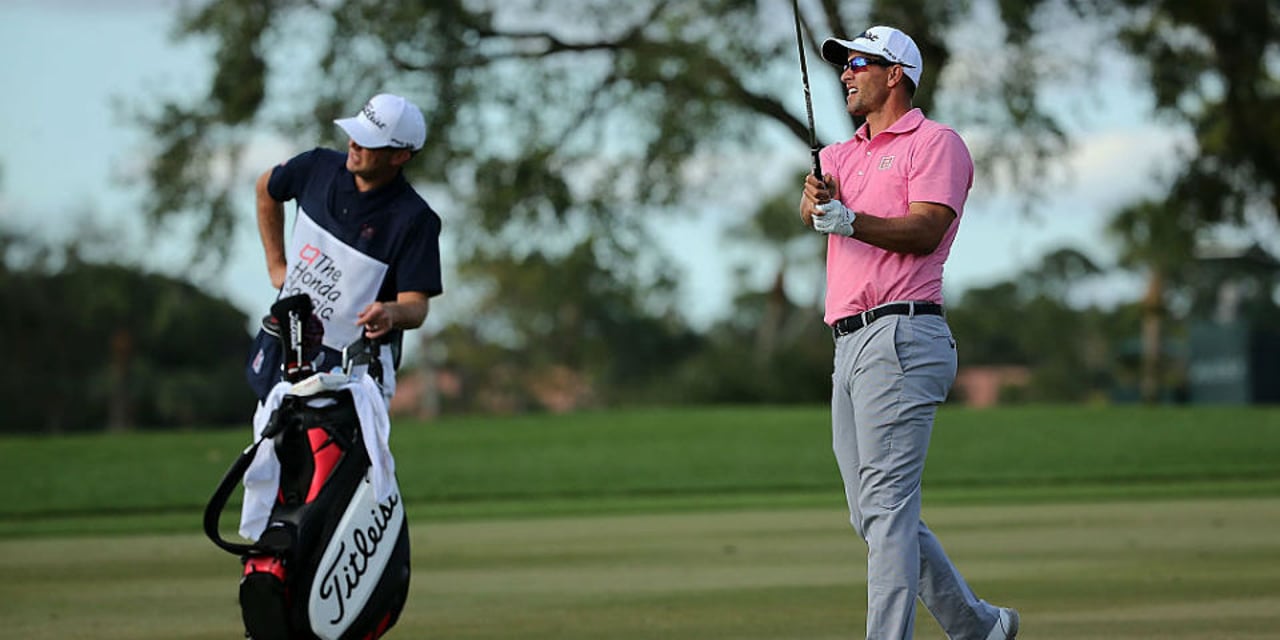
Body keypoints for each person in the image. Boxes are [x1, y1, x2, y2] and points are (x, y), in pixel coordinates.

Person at [798, 26, 1018, 640]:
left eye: (858, 63)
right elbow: (810, 207)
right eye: (843, 64)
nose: (846, 73)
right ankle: (978, 627)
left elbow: (925, 230)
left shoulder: (936, 143)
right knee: (871, 513)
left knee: (888, 511)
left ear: (895, 74)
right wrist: (817, 200)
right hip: (847, 344)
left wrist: (849, 220)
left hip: (902, 333)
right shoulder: (840, 156)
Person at [247, 92, 444, 403]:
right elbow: (266, 189)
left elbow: (416, 306)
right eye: (355, 134)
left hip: (355, 368)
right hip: (288, 347)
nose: (354, 144)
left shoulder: (415, 219)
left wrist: (390, 313)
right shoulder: (317, 166)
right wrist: (276, 266)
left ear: (399, 156)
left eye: (368, 141)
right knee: (273, 434)